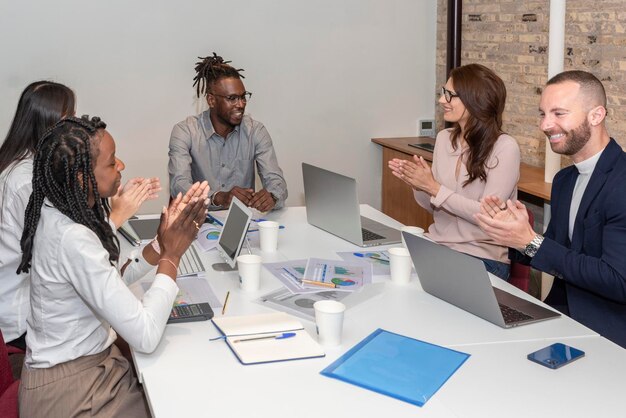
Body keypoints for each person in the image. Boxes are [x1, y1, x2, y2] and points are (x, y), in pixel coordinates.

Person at [17, 116, 209, 417]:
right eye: (110, 163)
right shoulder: (72, 238)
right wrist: (172, 256)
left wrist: (159, 245)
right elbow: (145, 336)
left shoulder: (61, 215)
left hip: (87, 371)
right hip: (71, 391)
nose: (121, 165)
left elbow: (108, 277)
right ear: (82, 177)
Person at [0, 81, 159, 352]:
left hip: (45, 314)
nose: (74, 126)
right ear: (48, 124)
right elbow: (65, 249)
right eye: (68, 117)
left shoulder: (37, 169)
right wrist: (117, 215)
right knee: (132, 337)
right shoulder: (26, 182)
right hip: (29, 322)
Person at [476, 70, 626, 348]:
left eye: (559, 113)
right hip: (560, 314)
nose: (546, 125)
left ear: (596, 115)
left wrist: (530, 241)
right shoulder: (565, 180)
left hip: (609, 331)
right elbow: (557, 251)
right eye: (542, 114)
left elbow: (618, 280)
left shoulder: (622, 182)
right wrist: (514, 234)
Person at [388, 64, 520, 280]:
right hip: (437, 245)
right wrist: (419, 184)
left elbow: (487, 217)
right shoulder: (443, 139)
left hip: (482, 257)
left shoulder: (505, 147)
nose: (442, 101)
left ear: (475, 99)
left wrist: (433, 186)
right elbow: (434, 207)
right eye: (443, 93)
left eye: (450, 95)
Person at [168, 52, 287, 212]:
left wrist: (272, 196)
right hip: (198, 222)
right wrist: (218, 197)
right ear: (211, 100)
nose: (241, 104)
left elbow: (275, 181)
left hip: (242, 223)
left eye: (243, 97)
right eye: (232, 98)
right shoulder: (185, 131)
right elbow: (179, 185)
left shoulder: (255, 131)